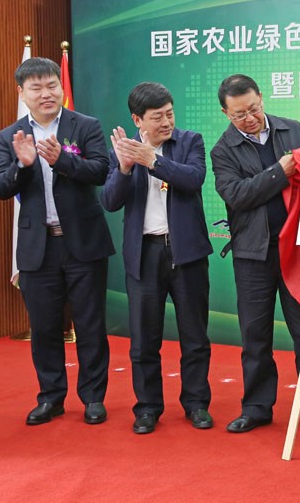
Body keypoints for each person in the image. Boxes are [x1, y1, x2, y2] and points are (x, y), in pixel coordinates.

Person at [0, 57, 114, 426]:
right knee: (44, 328)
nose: (46, 94)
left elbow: (101, 171)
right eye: (36, 88)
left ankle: (93, 398)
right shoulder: (9, 136)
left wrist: (62, 161)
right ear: (22, 93)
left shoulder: (85, 126)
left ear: (61, 87)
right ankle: (50, 398)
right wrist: (22, 165)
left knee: (90, 325)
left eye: (52, 86)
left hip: (83, 244)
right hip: (38, 247)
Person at [210, 74, 300, 435]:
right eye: (239, 114)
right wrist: (279, 171)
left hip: (297, 250)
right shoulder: (223, 150)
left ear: (262, 97)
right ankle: (257, 407)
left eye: (254, 108)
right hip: (253, 255)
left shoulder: (293, 131)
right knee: (255, 335)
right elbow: (238, 195)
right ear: (225, 113)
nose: (249, 118)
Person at [100, 82, 214, 435]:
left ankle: (196, 403)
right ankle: (147, 407)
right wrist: (124, 167)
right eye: (157, 117)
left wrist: (153, 160)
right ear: (138, 120)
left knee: (194, 336)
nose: (166, 122)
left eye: (169, 114)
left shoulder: (190, 141)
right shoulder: (123, 149)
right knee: (144, 340)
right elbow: (110, 201)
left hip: (187, 252)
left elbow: (194, 179)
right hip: (144, 254)